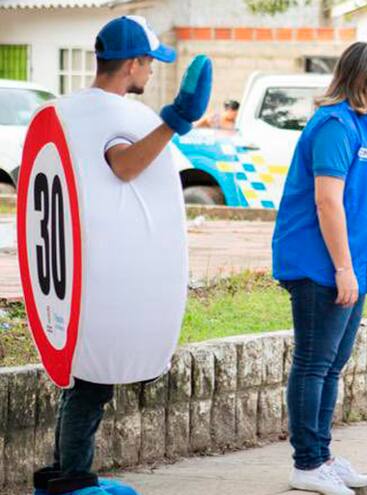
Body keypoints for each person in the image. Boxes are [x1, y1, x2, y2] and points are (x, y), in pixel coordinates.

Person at [30, 15, 212, 495]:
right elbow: (125, 165)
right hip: (101, 278)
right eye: (150, 63)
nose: (152, 72)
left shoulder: (73, 112)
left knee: (84, 383)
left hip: (82, 269)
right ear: (133, 63)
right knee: (90, 383)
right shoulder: (111, 118)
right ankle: (72, 479)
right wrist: (173, 121)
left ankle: (64, 473)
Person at [272, 42, 367, 495]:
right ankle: (306, 463)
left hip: (345, 266)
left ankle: (323, 455)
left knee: (332, 367)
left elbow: (360, 201)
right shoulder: (334, 125)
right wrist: (344, 268)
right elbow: (327, 201)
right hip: (320, 267)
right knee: (314, 365)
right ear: (366, 80)